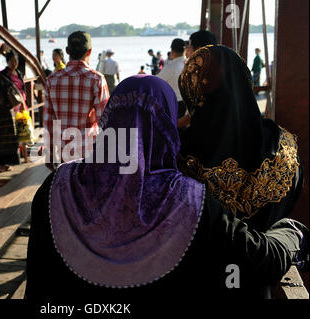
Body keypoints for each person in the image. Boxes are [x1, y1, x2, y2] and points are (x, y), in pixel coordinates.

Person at [26, 75, 309, 301]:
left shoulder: (57, 186)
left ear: (108, 122)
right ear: (167, 129)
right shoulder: (187, 200)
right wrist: (290, 231)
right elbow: (264, 259)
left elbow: (37, 276)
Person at [178, 45, 303, 232]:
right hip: (268, 254)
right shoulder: (281, 144)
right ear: (243, 80)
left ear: (193, 94)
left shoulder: (180, 154)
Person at [43, 31, 110, 170]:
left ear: (67, 51)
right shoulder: (96, 79)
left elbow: (49, 121)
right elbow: (105, 120)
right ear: (89, 51)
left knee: (67, 190)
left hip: (64, 154)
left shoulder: (52, 80)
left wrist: (49, 153)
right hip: (89, 153)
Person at [0, 50, 29, 172]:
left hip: (21, 104)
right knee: (16, 132)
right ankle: (18, 157)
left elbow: (22, 88)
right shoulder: (4, 75)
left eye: (16, 61)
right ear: (7, 62)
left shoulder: (19, 73)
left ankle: (25, 157)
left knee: (24, 130)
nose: (14, 63)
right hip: (11, 106)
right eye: (12, 61)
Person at [158, 38, 187, 121]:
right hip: (187, 103)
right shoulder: (189, 63)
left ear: (172, 51)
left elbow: (157, 81)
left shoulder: (170, 67)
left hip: (174, 103)